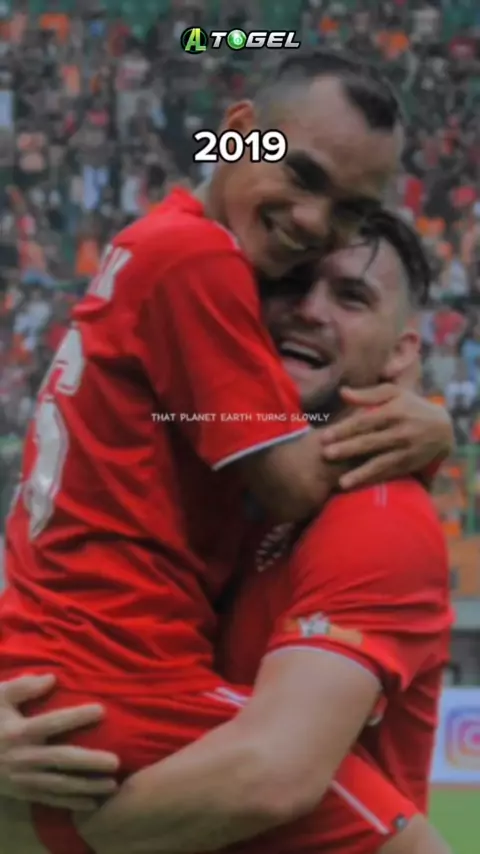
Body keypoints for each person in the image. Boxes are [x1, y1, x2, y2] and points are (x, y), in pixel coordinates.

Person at [0, 214, 452, 854]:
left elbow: (271, 774)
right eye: (290, 285)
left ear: (402, 353)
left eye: (351, 297)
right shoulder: (222, 495)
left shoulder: (377, 520)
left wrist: (43, 834)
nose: (309, 310)